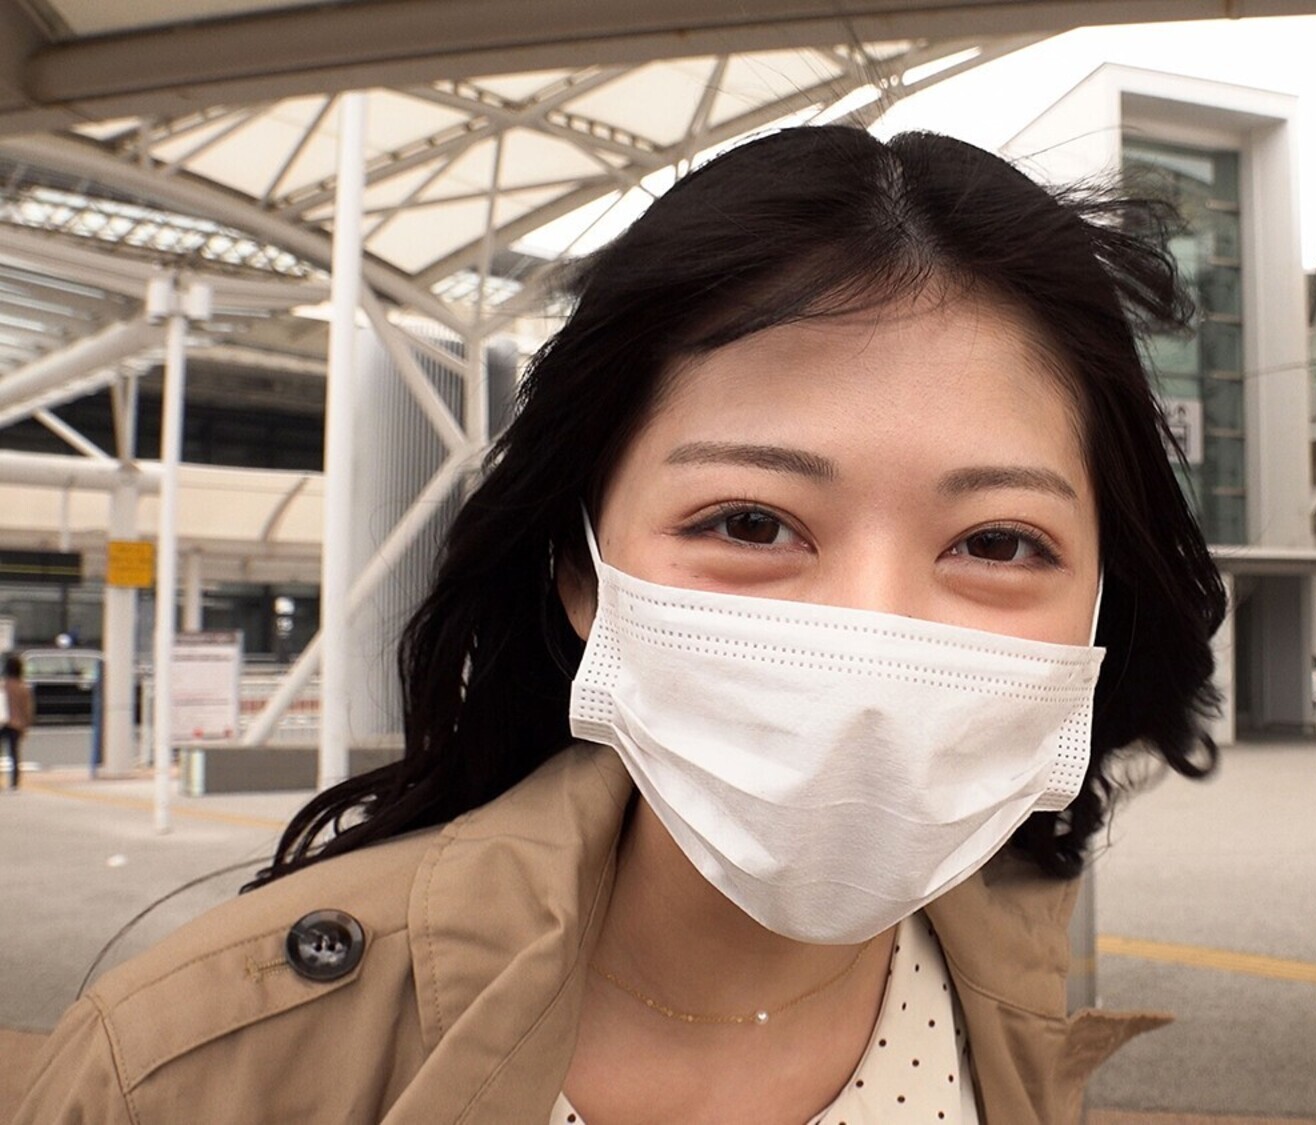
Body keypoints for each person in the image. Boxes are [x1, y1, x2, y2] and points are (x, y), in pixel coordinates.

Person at [12, 126, 1226, 1124]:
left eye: (998, 544)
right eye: (749, 522)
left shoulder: (1015, 1013)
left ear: (1101, 597)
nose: (869, 641)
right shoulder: (182, 1072)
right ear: (581, 571)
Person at [1, 654, 29, 790]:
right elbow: (27, 709)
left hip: (2, 722)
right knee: (14, 753)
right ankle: (14, 782)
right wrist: (25, 725)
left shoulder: (3, 685)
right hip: (16, 724)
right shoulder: (22, 688)